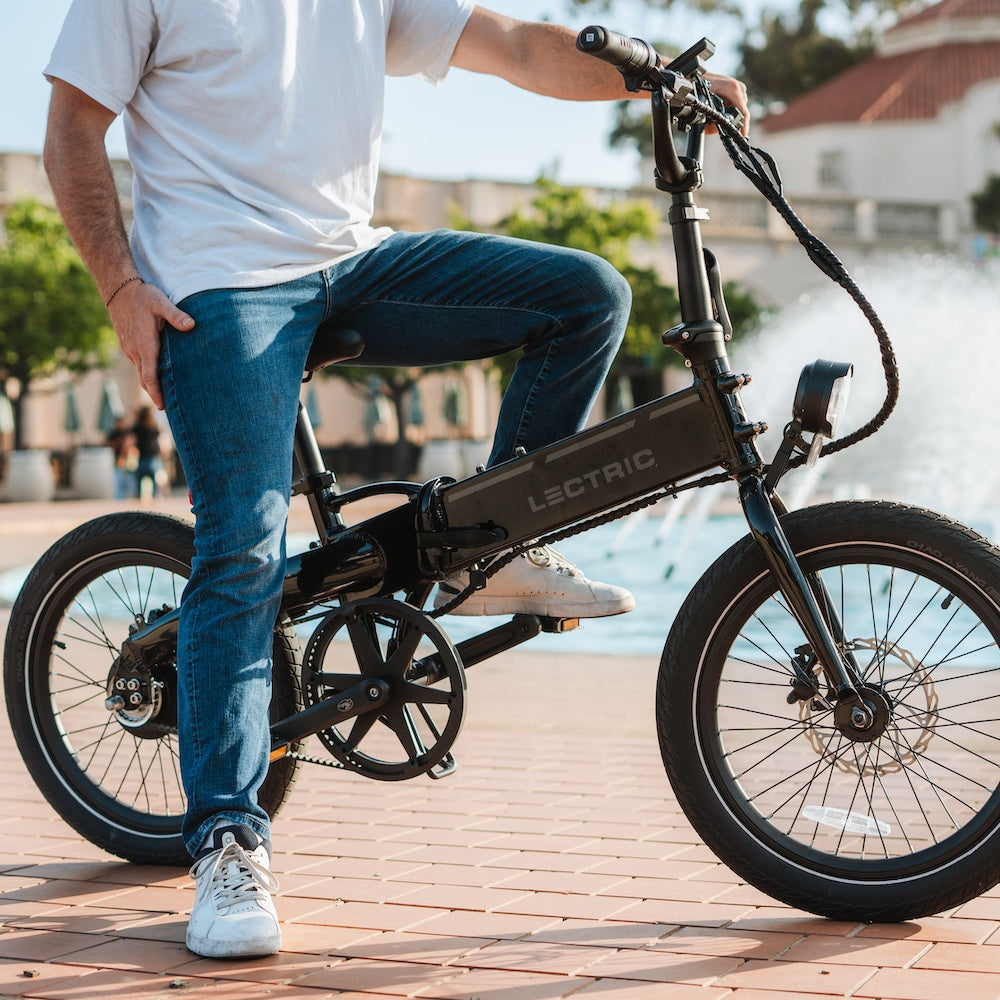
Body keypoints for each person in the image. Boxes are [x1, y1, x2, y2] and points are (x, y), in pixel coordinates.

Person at [42, 1, 750, 960]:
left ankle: (491, 548)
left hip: (352, 260)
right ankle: (226, 840)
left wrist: (664, 77)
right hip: (220, 282)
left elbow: (510, 45)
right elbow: (74, 126)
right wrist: (123, 287)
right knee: (243, 549)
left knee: (587, 296)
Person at [131, 404, 164, 500]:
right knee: (154, 485)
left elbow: (132, 438)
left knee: (139, 483)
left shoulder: (137, 426)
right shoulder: (153, 426)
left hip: (142, 457)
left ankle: (139, 502)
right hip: (153, 457)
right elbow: (159, 440)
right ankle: (154, 500)